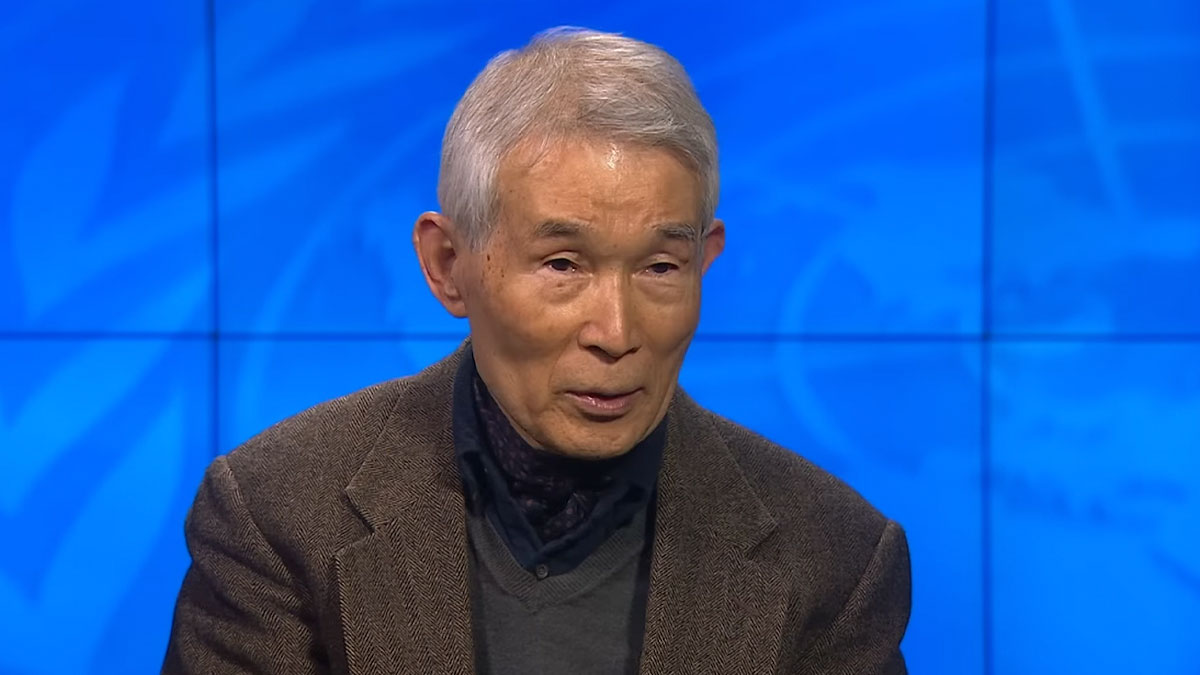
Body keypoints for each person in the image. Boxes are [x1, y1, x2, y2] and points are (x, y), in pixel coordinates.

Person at [162, 27, 910, 675]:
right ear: (447, 264)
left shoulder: (834, 555)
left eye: (660, 267)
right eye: (562, 264)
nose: (616, 332)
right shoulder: (278, 514)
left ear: (705, 262)